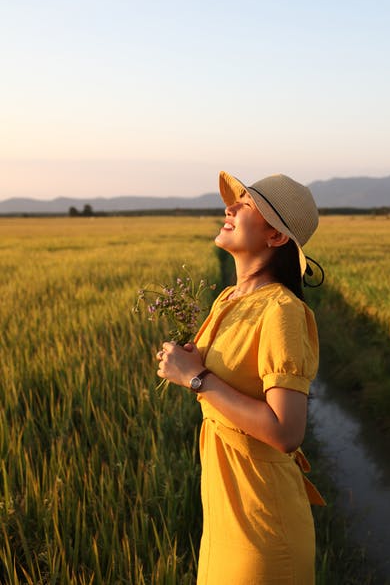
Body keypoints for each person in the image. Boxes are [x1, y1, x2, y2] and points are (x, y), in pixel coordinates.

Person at [156, 170, 325, 585]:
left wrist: (197, 379)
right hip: (225, 509)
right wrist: (196, 363)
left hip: (262, 519)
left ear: (276, 238)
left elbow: (287, 431)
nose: (229, 207)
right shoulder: (228, 298)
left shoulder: (280, 310)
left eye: (246, 205)